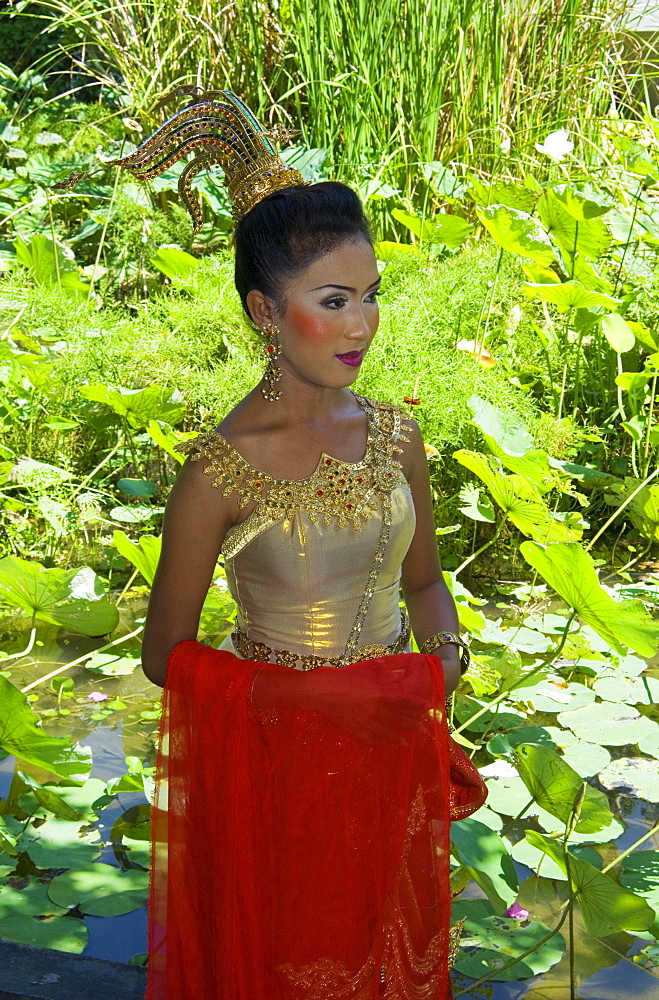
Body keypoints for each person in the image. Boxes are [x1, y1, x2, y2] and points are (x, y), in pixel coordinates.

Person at [104, 90, 486, 999]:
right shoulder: (222, 471)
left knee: (390, 961)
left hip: (390, 751)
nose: (361, 324)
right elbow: (166, 655)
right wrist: (307, 700)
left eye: (370, 297)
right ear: (264, 313)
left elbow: (426, 583)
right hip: (274, 766)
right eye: (332, 300)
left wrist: (434, 669)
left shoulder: (395, 435)